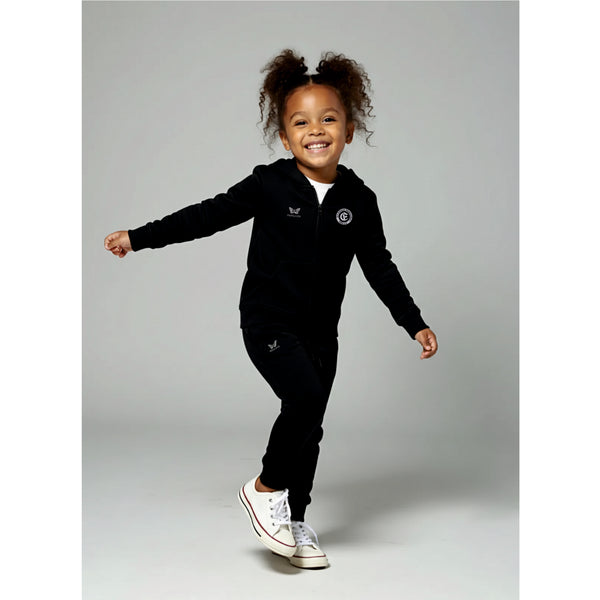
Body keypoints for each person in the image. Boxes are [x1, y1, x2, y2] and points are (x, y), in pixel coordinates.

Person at [104, 49, 438, 569]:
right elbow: (206, 216)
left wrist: (413, 322)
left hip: (322, 331)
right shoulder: (270, 183)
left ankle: (293, 522)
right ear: (285, 137)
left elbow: (379, 265)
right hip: (268, 321)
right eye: (300, 122)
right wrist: (139, 237)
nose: (315, 130)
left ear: (349, 131)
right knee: (304, 397)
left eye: (329, 119)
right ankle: (263, 488)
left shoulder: (360, 199)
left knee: (310, 425)